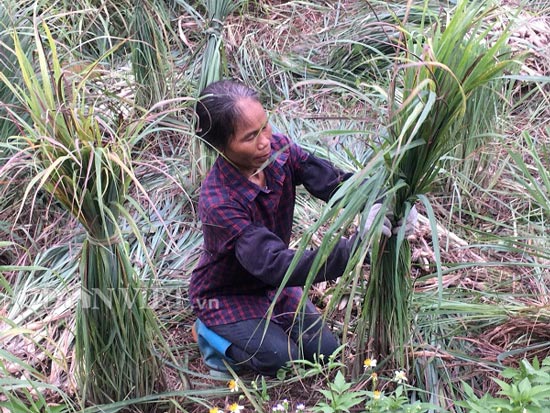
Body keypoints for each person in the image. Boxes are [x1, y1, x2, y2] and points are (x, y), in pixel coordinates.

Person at [189, 79, 417, 377]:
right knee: (285, 360)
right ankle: (208, 335)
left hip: (275, 286)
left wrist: (384, 199)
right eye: (250, 137)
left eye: (265, 126)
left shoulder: (278, 150)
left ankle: (256, 331)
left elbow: (328, 180)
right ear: (220, 146)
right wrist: (355, 248)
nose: (265, 141)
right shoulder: (219, 202)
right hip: (228, 294)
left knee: (325, 353)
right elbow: (272, 263)